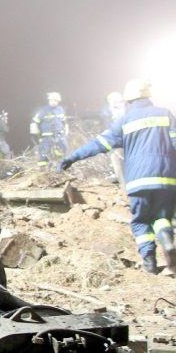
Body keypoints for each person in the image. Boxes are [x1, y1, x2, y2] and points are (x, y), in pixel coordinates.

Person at [59, 79, 176, 274]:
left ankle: (149, 263)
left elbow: (99, 144)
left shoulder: (125, 120)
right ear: (148, 96)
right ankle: (168, 243)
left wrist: (72, 157)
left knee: (141, 221)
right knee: (163, 217)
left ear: (128, 100)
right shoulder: (165, 114)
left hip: (138, 181)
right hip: (166, 179)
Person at [31, 92, 69, 167]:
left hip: (59, 135)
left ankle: (61, 165)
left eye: (55, 100)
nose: (53, 102)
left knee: (63, 148)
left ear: (58, 101)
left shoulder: (60, 109)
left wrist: (66, 129)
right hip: (47, 136)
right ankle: (43, 168)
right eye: (52, 100)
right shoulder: (43, 110)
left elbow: (64, 121)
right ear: (49, 100)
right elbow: (35, 121)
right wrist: (34, 130)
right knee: (44, 151)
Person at [101, 91, 126, 186]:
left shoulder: (125, 111)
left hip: (124, 139)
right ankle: (121, 180)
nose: (117, 103)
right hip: (116, 139)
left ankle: (124, 183)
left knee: (119, 159)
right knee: (116, 159)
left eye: (119, 101)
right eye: (113, 101)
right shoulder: (108, 111)